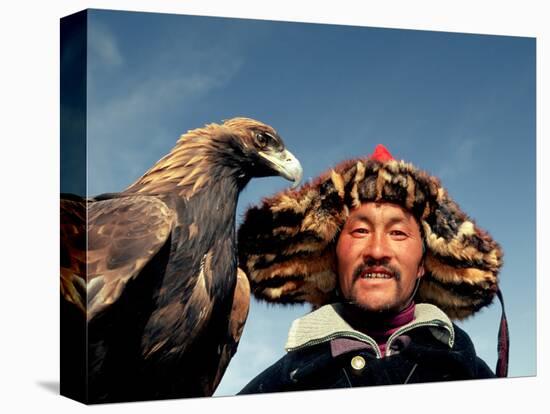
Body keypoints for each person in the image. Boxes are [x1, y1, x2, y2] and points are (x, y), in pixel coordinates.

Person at [236, 144, 508, 394]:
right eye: (360, 230)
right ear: (333, 256)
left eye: (399, 233)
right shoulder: (273, 390)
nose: (377, 251)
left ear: (423, 265)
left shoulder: (477, 382)